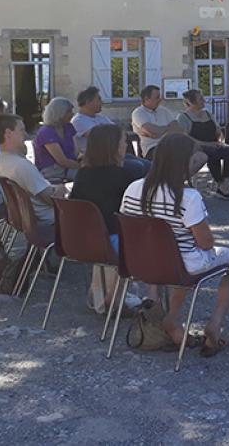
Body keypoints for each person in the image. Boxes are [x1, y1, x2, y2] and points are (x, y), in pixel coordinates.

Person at [120, 133, 229, 356]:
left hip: (141, 263)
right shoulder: (187, 196)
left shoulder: (132, 188)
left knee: (180, 259)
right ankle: (215, 322)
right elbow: (206, 243)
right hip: (180, 265)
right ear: (184, 162)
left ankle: (173, 320)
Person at [69, 123, 144, 314]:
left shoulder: (83, 174)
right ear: (112, 147)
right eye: (123, 142)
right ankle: (130, 300)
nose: (125, 146)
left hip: (83, 241)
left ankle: (104, 294)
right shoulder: (125, 176)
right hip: (114, 243)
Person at [0, 113, 67, 225]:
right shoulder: (20, 165)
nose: (26, 135)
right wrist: (62, 188)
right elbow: (52, 199)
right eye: (22, 130)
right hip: (51, 220)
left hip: (30, 220)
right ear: (8, 134)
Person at [72, 86, 150, 176]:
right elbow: (100, 138)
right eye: (98, 99)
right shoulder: (79, 121)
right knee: (138, 167)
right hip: (100, 161)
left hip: (114, 156)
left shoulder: (101, 117)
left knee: (148, 165)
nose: (102, 102)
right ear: (88, 102)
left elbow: (118, 131)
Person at [178, 89, 229, 198]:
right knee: (212, 153)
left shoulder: (208, 114)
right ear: (191, 102)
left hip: (214, 143)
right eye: (200, 99)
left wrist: (220, 138)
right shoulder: (183, 117)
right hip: (197, 147)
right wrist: (205, 144)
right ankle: (220, 183)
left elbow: (217, 129)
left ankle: (225, 182)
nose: (204, 101)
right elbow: (185, 137)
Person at [131, 85, 206, 176]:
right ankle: (174, 181)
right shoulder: (138, 113)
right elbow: (153, 131)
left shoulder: (164, 111)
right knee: (174, 158)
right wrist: (168, 128)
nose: (160, 99)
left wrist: (160, 131)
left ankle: (180, 179)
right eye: (157, 97)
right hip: (153, 148)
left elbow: (178, 130)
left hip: (172, 144)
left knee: (201, 156)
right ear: (147, 98)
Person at [33, 97, 81, 182]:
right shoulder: (46, 132)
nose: (72, 114)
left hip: (70, 166)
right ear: (60, 113)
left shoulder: (69, 127)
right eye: (69, 111)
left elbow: (76, 151)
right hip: (52, 171)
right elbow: (62, 161)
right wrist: (83, 167)